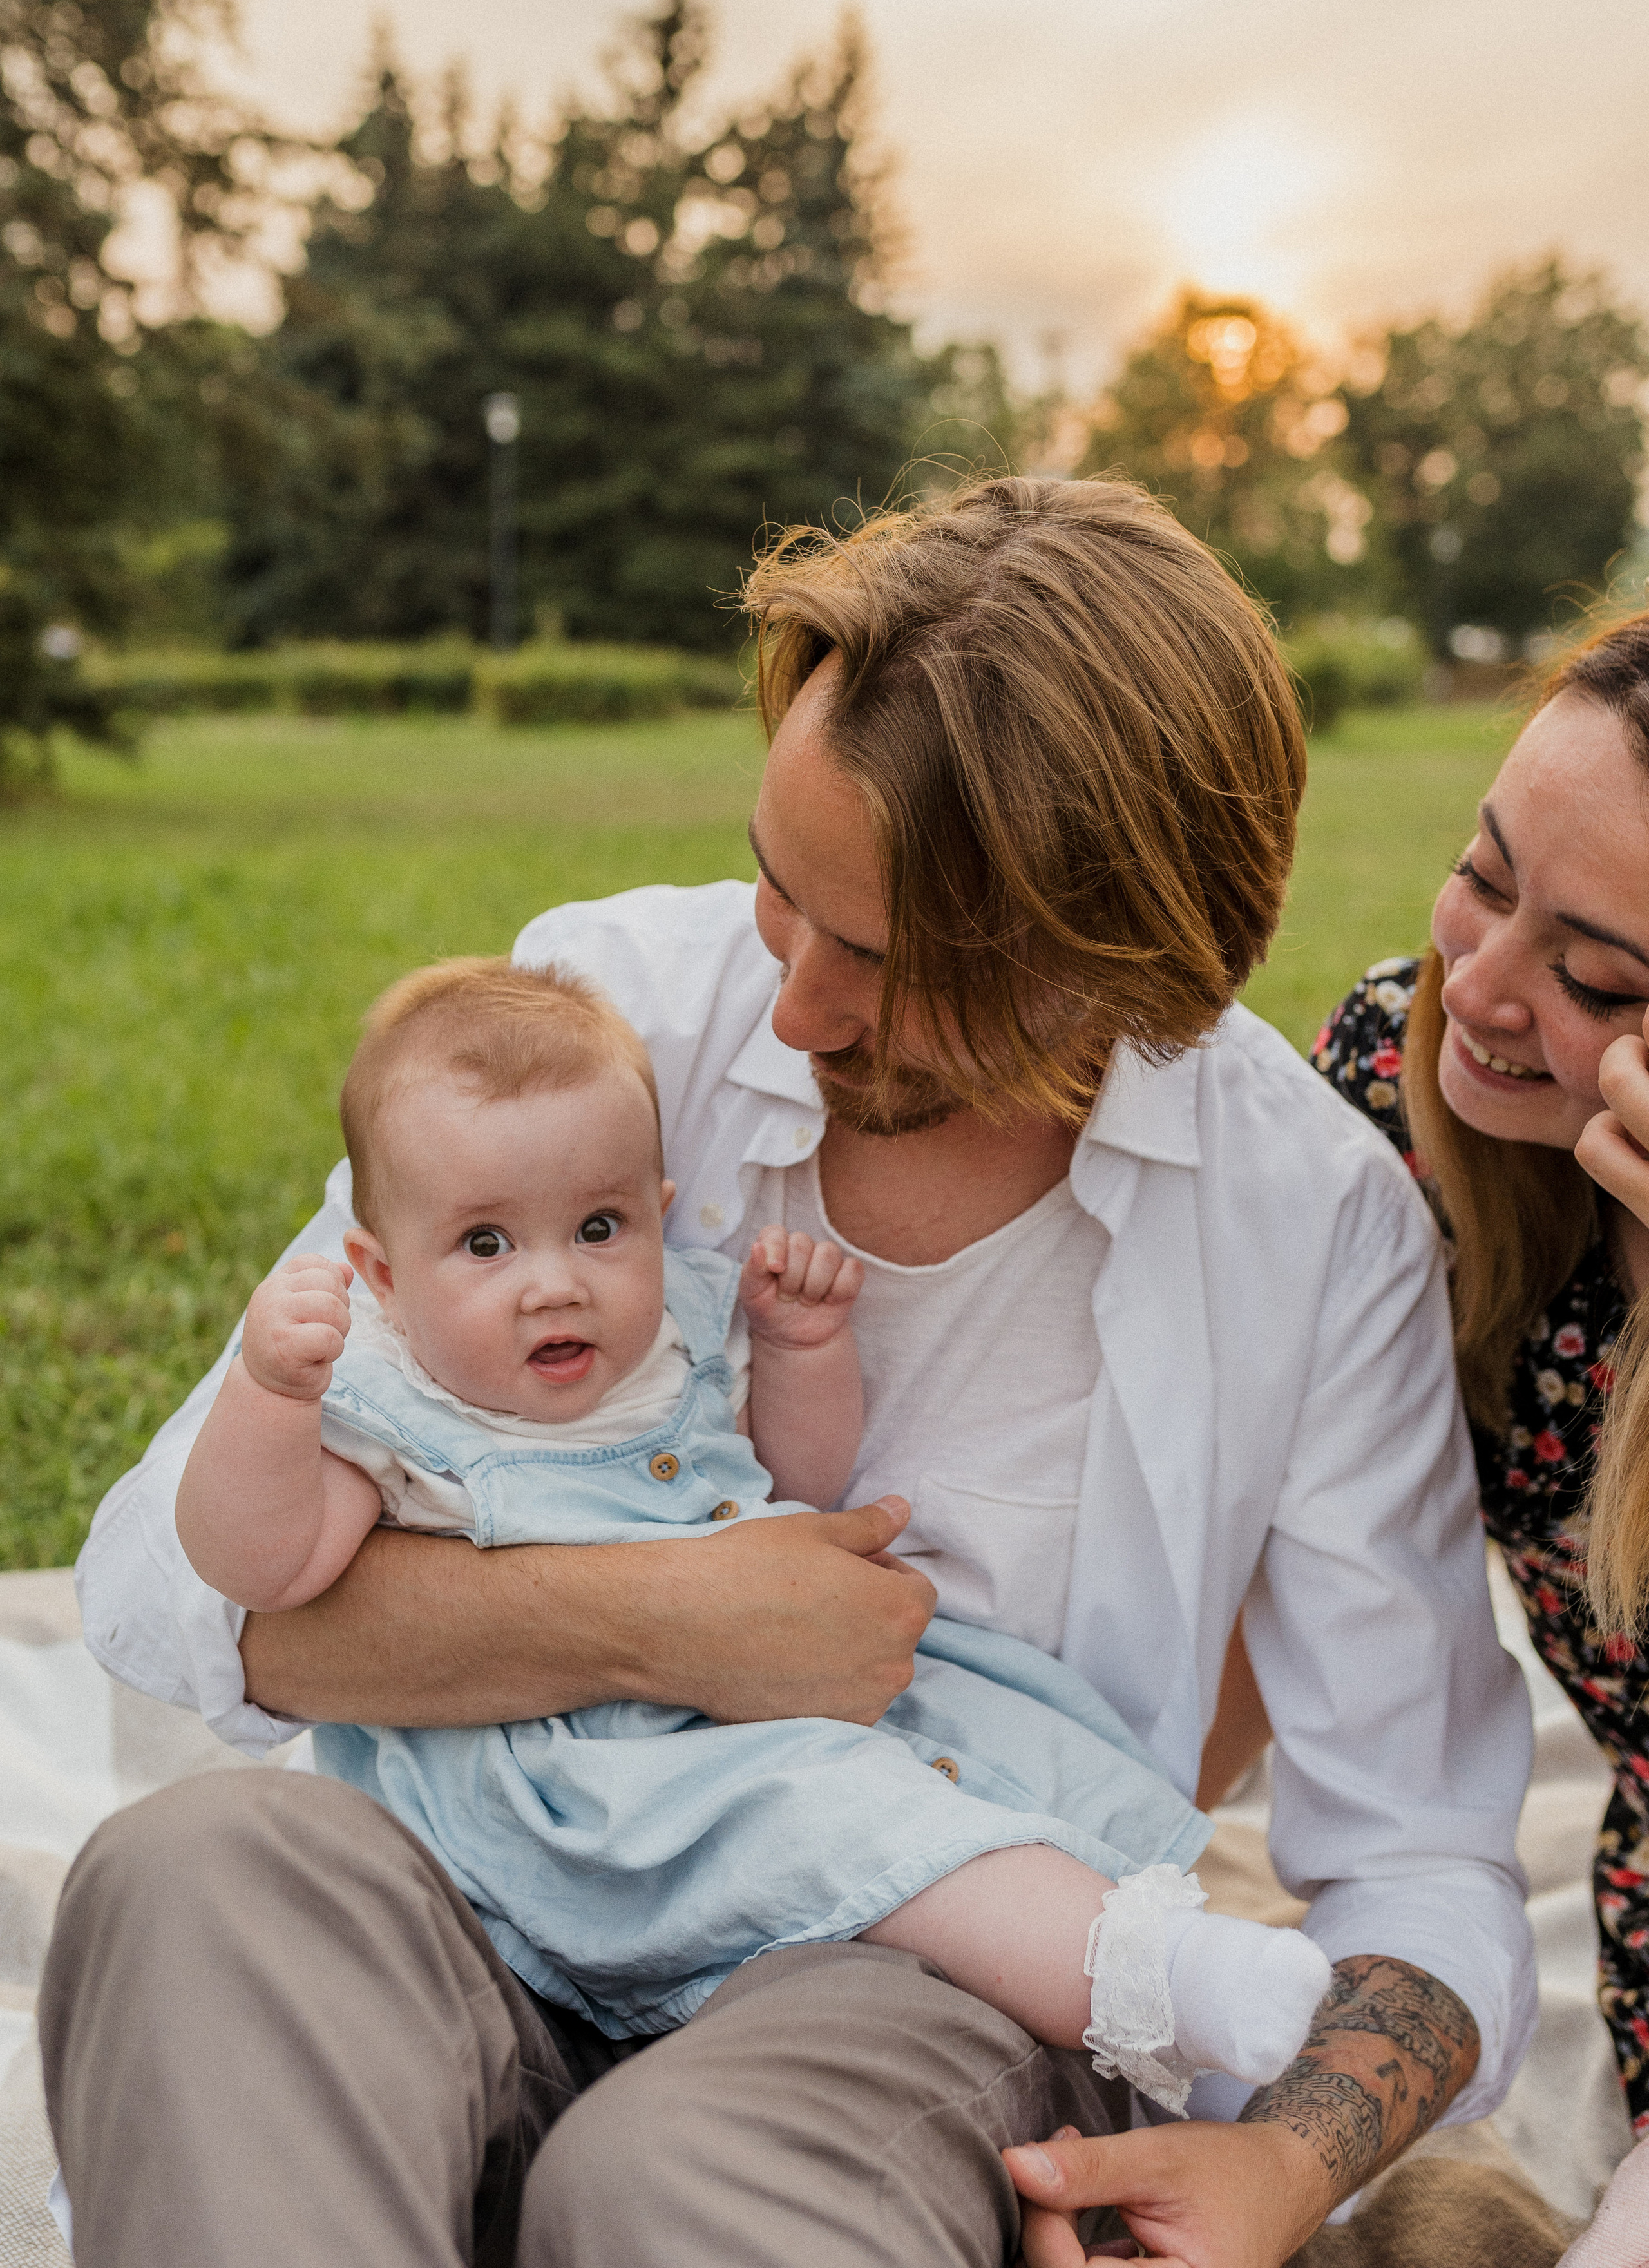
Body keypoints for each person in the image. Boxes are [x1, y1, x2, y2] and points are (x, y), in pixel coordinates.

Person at [43, 475, 1535, 2268]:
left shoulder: (1311, 1229)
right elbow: (182, 1599)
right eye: (780, 888)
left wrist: (1282, 2172)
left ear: (1134, 962)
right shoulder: (600, 1017)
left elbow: (1426, 1861)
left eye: (893, 962)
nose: (800, 1008)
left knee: (675, 2181)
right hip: (482, 1860)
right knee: (194, 1881)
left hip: (903, 1963)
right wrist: (673, 1621)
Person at [173, 952, 1328, 2102]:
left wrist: (801, 1353)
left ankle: (1150, 1948)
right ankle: (1142, 1977)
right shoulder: (390, 1396)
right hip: (574, 1790)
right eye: (486, 1244)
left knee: (946, 1778)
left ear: (658, 1216)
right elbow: (267, 1569)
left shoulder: (675, 1334)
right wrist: (268, 1401)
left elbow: (794, 1486)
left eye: (598, 1226)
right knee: (845, 1821)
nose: (554, 1283)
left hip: (749, 1718)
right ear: (378, 1273)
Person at [1007, 609, 1649, 2263]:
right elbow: (1238, 1574)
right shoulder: (1393, 1086)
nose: (1482, 989)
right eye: (1480, 875)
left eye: (1594, 979)